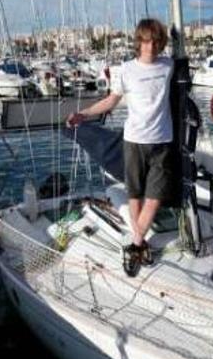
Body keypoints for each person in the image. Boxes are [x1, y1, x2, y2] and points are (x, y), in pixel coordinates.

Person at [67, 18, 174, 277]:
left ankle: (136, 244)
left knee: (155, 196)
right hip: (134, 140)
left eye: (156, 41)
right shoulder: (125, 69)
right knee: (135, 194)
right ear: (139, 42)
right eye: (146, 41)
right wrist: (84, 114)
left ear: (161, 43)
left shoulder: (168, 66)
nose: (151, 46)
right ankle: (139, 243)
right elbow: (112, 101)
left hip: (162, 141)